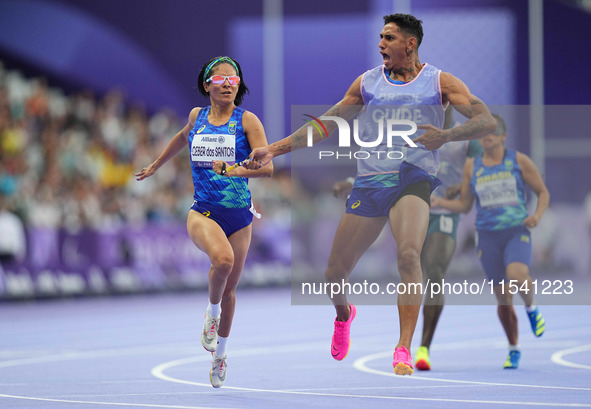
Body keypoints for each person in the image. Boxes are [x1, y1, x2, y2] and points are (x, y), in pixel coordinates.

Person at [247, 13, 496, 375]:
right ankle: (344, 314)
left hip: (414, 177)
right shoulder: (366, 84)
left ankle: (402, 348)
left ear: (410, 44)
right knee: (334, 274)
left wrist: (445, 136)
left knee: (409, 255)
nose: (381, 43)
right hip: (371, 182)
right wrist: (273, 149)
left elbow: (485, 120)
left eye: (389, 37)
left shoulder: (439, 81)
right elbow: (324, 126)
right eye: (380, 37)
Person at [135, 56, 273, 387]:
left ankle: (221, 354)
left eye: (234, 80)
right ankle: (211, 316)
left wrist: (234, 169)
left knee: (231, 291)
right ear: (207, 84)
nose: (227, 84)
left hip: (240, 216)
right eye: (221, 79)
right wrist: (156, 164)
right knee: (222, 261)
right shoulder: (197, 117)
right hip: (203, 211)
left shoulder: (247, 121)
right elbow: (183, 138)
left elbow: (267, 167)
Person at [331, 107, 483, 371]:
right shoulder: (408, 124)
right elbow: (383, 164)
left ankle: (416, 346)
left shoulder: (466, 141)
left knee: (428, 269)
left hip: (440, 209)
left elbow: (485, 171)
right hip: (401, 200)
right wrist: (351, 180)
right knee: (333, 273)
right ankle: (344, 315)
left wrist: (467, 187)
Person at [431, 114, 548, 369]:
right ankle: (513, 348)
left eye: (491, 134)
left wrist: (537, 215)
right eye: (482, 134)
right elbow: (464, 205)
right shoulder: (472, 166)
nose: (486, 139)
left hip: (515, 230)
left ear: (503, 137)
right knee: (503, 299)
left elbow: (542, 192)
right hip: (487, 236)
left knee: (516, 274)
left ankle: (532, 308)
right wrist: (440, 202)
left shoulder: (518, 161)